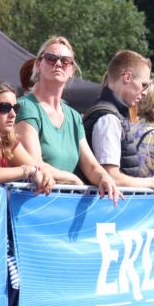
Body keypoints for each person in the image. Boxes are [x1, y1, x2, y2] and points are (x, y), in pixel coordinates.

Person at [15, 36, 121, 201]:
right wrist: (72, 179)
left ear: (71, 70)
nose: (58, 64)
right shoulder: (26, 107)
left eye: (65, 61)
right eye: (51, 59)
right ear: (38, 65)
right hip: (32, 204)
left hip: (63, 205)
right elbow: (34, 164)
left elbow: (91, 166)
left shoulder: (73, 116)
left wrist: (104, 178)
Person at [83, 50, 154, 191]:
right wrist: (151, 183)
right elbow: (110, 177)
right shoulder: (108, 118)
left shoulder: (113, 115)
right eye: (144, 84)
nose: (145, 92)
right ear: (127, 77)